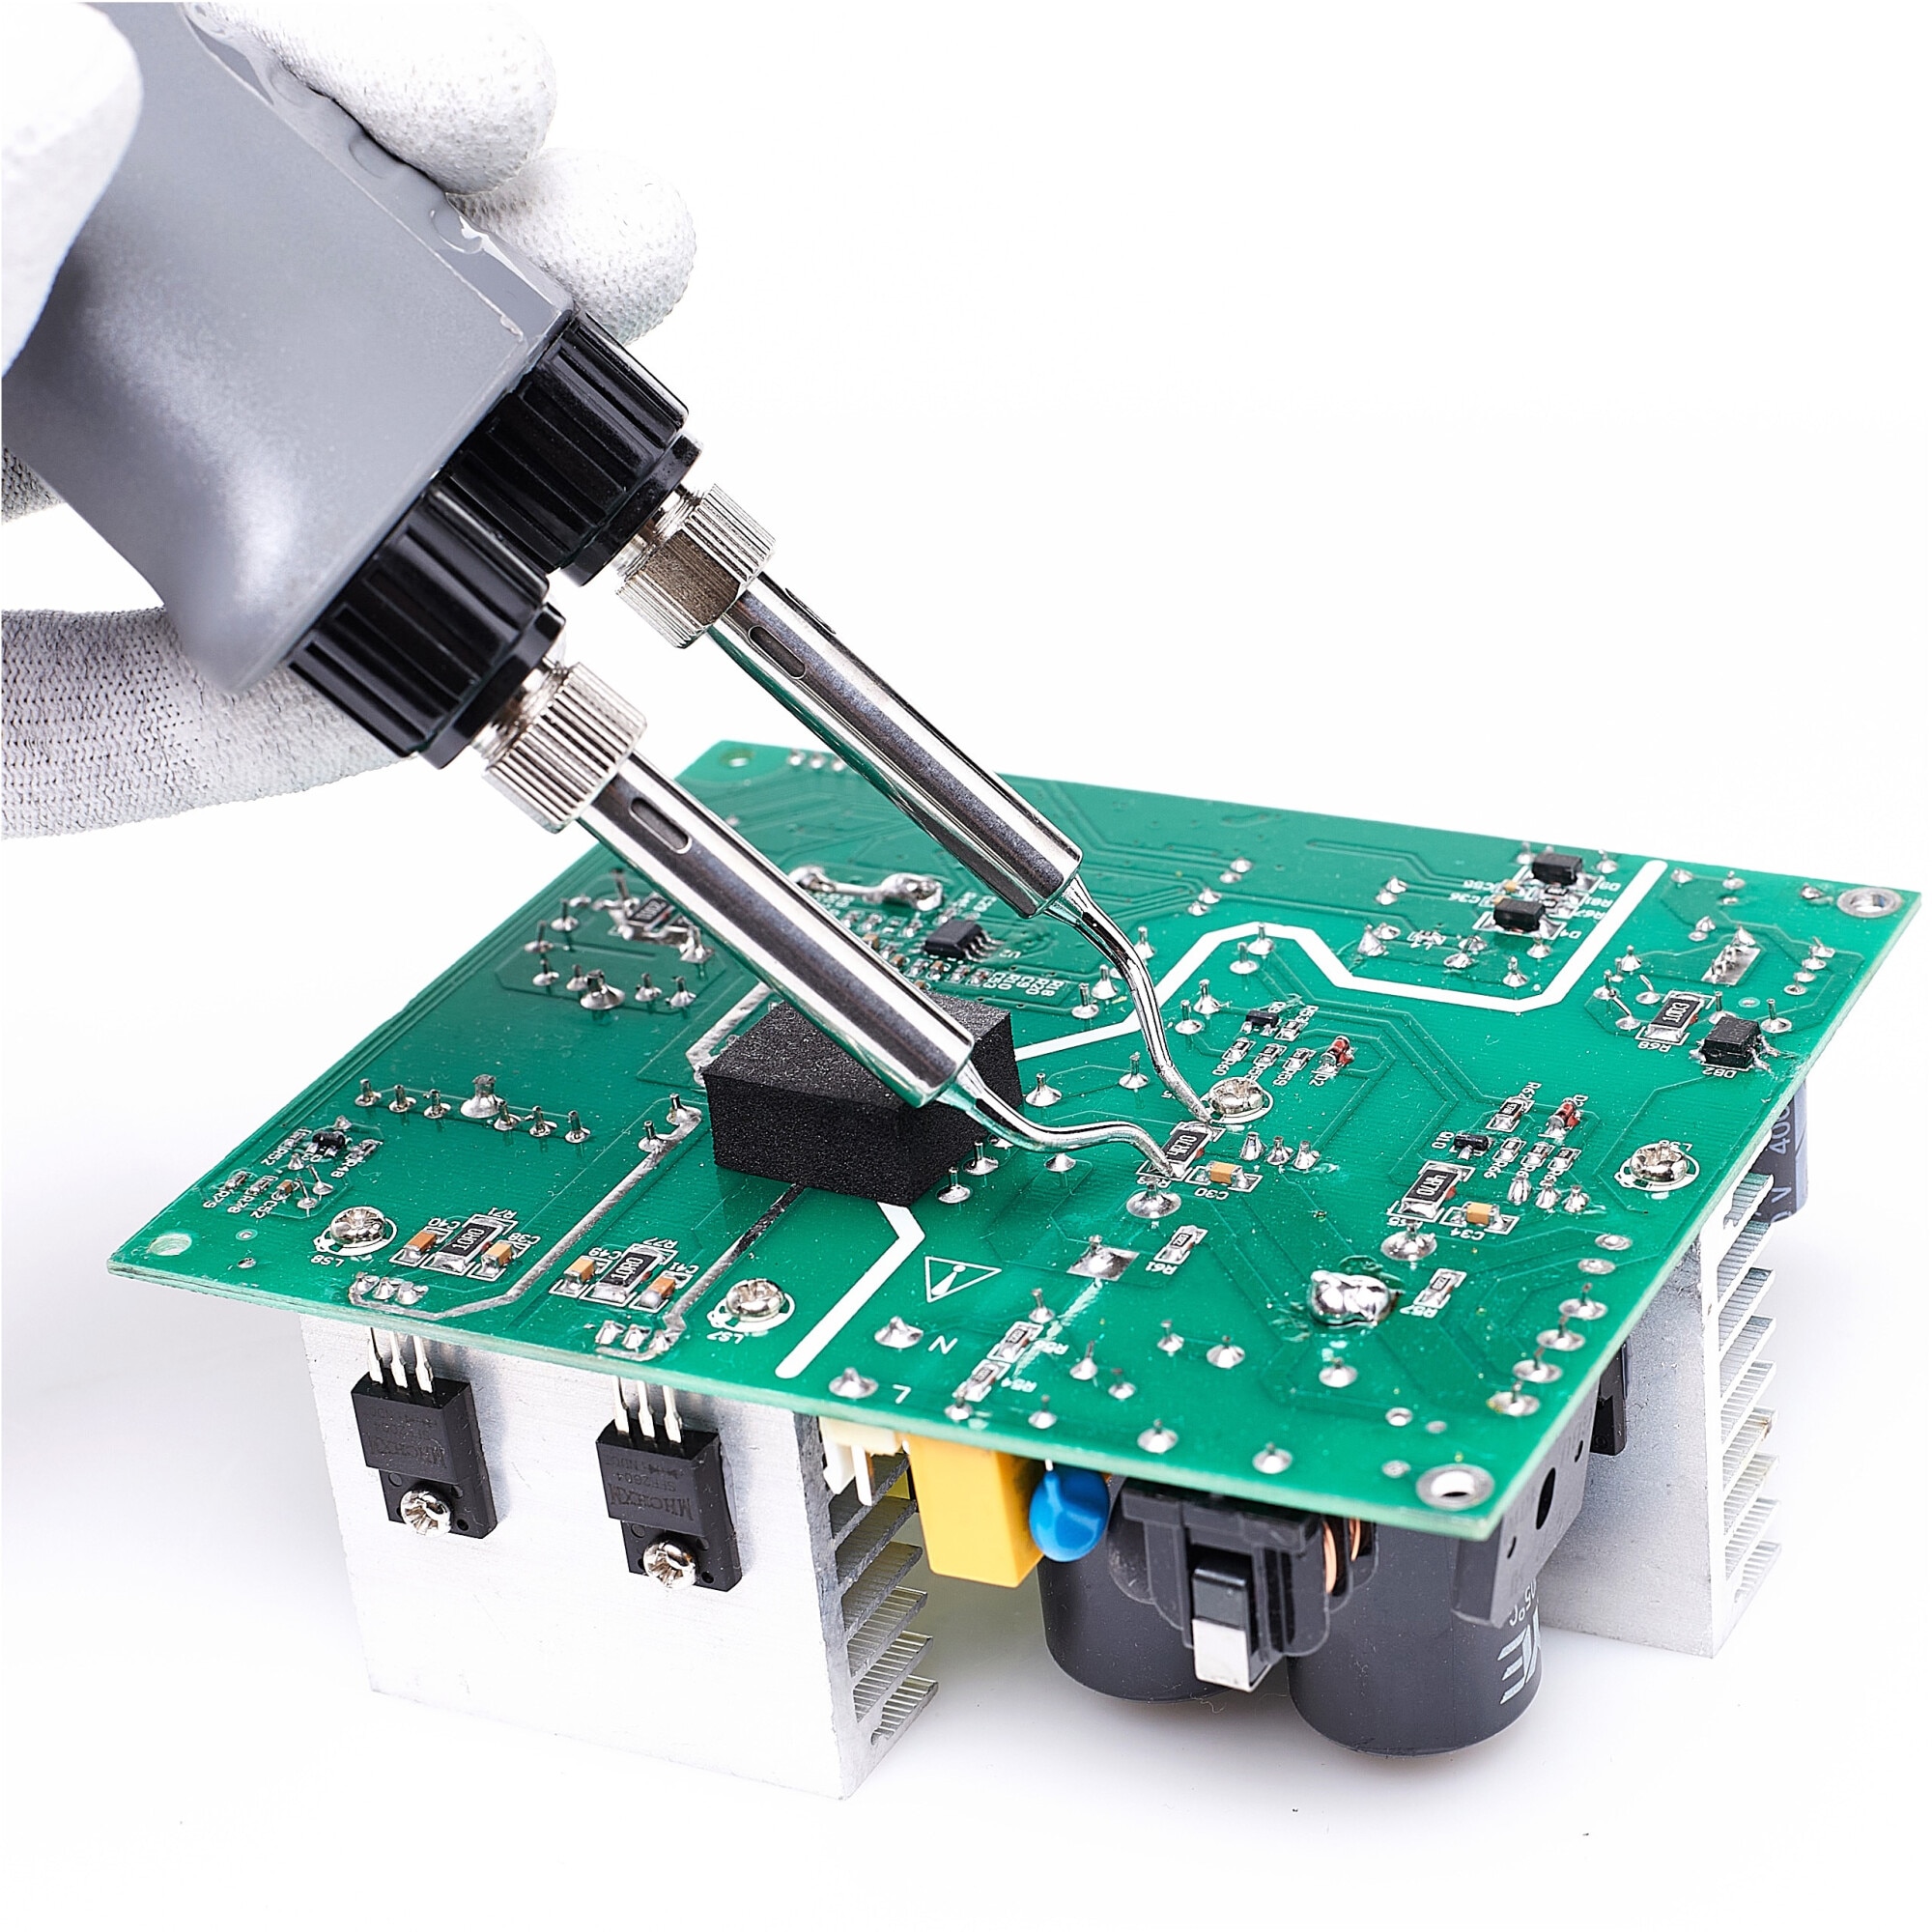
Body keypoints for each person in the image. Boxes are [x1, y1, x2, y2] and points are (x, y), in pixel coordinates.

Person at [2, 3, 695, 836]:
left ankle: (661, 534)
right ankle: (660, 540)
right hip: (338, 478)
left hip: (468, 360)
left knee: (620, 499)